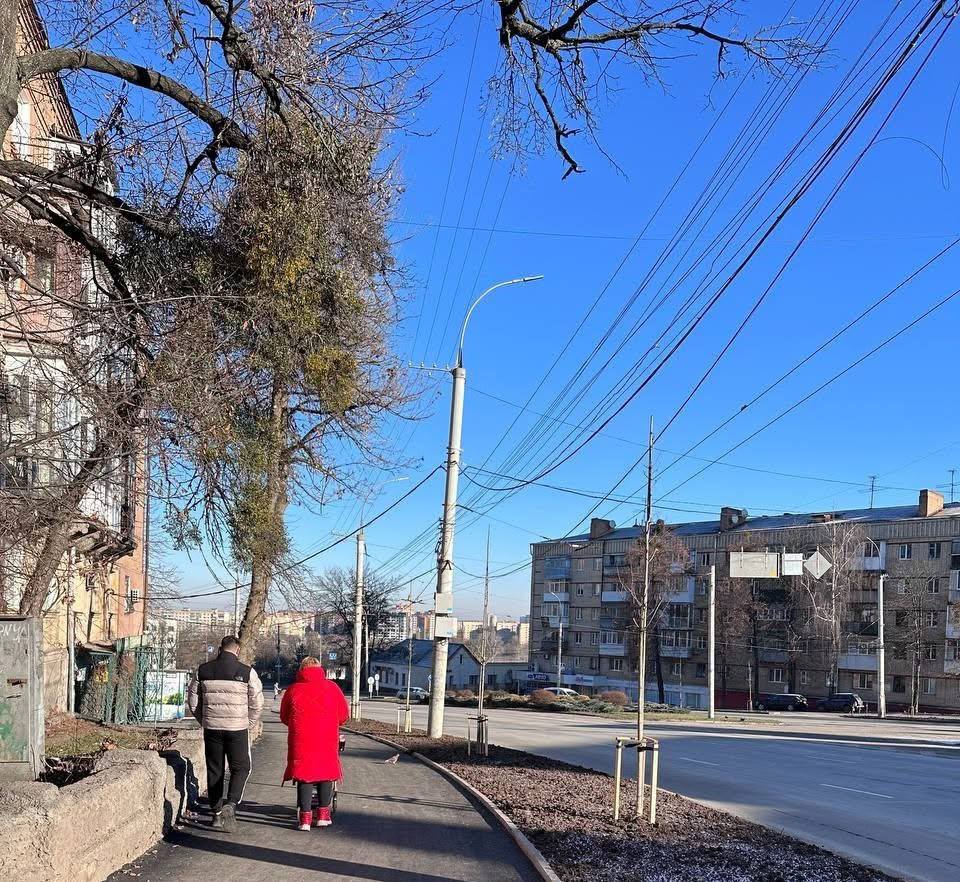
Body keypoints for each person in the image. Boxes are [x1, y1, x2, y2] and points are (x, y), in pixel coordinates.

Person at [187, 635, 263, 833]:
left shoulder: (203, 670)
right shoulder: (246, 672)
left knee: (215, 769)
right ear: (237, 650)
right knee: (241, 767)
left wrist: (205, 720)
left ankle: (216, 813)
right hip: (237, 728)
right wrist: (248, 723)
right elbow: (257, 703)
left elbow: (193, 701)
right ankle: (232, 802)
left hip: (212, 728)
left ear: (220, 649)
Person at [280, 656, 349, 830]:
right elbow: (343, 715)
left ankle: (304, 820)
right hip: (326, 738)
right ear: (320, 669)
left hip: (301, 739)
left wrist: (298, 724)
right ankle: (323, 817)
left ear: (301, 670)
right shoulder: (332, 688)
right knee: (326, 773)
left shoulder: (293, 690)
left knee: (304, 775)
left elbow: (284, 716)